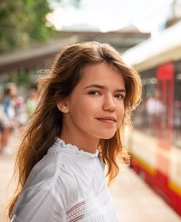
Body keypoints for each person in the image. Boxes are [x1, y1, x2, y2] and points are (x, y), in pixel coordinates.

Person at [7, 41, 142, 221]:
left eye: (118, 95)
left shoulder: (93, 161)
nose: (111, 105)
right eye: (95, 92)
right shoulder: (53, 184)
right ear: (63, 101)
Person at [0, 82, 17, 155]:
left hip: (6, 119)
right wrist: (10, 118)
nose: (14, 91)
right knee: (5, 133)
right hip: (6, 119)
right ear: (9, 91)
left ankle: (3, 147)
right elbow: (6, 109)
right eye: (13, 89)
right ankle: (4, 147)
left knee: (5, 133)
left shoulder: (6, 98)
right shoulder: (7, 98)